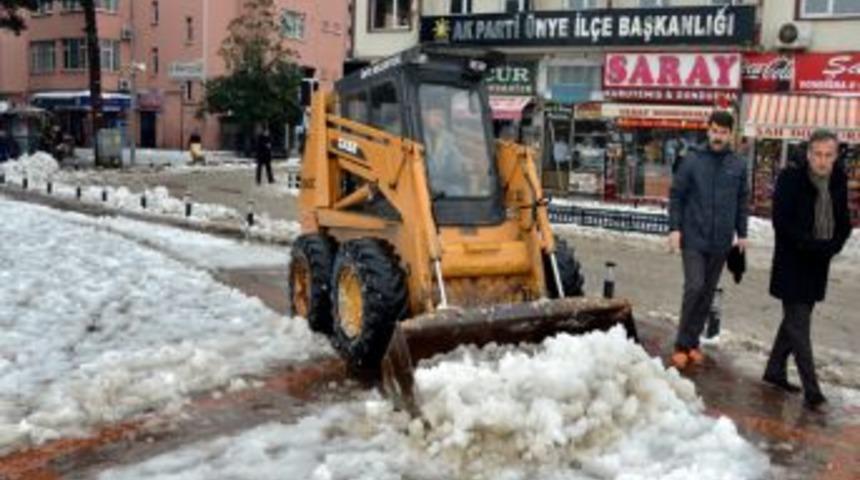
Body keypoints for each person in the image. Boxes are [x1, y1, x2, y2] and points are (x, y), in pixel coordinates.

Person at [763, 129, 852, 412]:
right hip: (793, 262)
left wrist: (832, 246)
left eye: (829, 155)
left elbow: (844, 223)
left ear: (836, 156)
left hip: (818, 264)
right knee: (800, 327)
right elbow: (781, 220)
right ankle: (813, 393)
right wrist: (808, 244)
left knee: (794, 321)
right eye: (818, 154)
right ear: (809, 153)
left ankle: (775, 370)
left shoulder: (838, 181)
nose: (823, 161)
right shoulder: (791, 179)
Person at [667, 110, 750, 369]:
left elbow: (742, 200)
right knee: (694, 286)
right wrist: (674, 229)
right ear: (708, 130)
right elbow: (677, 196)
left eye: (723, 132)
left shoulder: (737, 164)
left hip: (721, 241)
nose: (718, 136)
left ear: (730, 134)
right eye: (714, 131)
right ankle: (681, 344)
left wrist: (742, 233)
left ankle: (693, 343)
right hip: (693, 236)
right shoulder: (692, 160)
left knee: (706, 292)